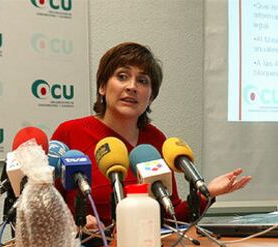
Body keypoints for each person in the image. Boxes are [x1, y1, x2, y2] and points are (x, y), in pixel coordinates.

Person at [51, 42, 251, 228]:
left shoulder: (155, 141)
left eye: (142, 81)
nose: (132, 87)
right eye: (122, 76)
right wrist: (74, 223)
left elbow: (171, 218)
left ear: (151, 97)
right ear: (102, 87)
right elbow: (45, 208)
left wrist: (209, 192)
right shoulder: (70, 133)